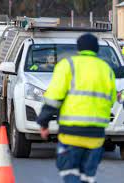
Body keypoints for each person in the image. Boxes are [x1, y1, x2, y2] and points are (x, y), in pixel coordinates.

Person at [37, 34, 116, 183]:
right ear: (97, 49)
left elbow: (54, 98)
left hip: (70, 134)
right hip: (96, 135)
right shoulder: (106, 69)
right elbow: (111, 100)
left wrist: (44, 123)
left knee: (70, 172)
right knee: (88, 177)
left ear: (78, 48)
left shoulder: (68, 65)